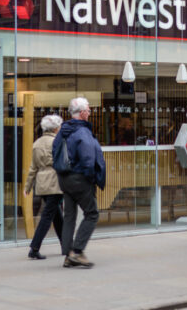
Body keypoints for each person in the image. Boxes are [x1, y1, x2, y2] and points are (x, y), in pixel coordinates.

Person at [53, 97, 106, 268]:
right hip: (80, 179)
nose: (90, 113)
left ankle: (68, 255)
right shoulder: (82, 132)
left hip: (65, 179)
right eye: (89, 110)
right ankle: (77, 251)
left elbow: (54, 152)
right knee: (92, 214)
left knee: (69, 216)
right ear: (82, 112)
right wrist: (91, 179)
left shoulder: (63, 131)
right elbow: (89, 159)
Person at [23, 114, 64, 260]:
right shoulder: (58, 142)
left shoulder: (37, 143)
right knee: (48, 216)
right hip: (55, 182)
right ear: (55, 129)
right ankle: (34, 248)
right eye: (59, 126)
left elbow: (32, 168)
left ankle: (66, 245)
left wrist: (27, 186)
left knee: (56, 215)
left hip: (42, 183)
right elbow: (65, 162)